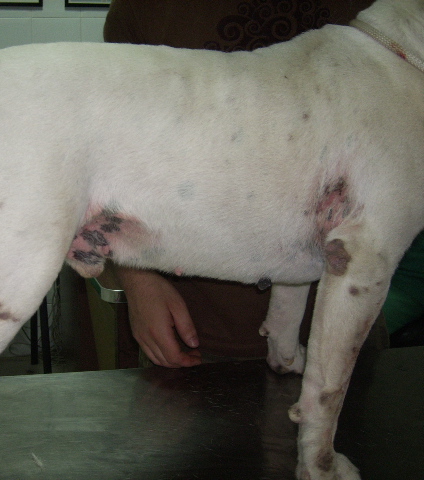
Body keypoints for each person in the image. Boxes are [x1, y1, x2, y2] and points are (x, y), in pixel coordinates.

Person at [102, 0, 386, 368]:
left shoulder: (371, 6)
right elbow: (117, 154)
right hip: (196, 319)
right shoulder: (145, 9)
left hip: (345, 316)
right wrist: (138, 281)